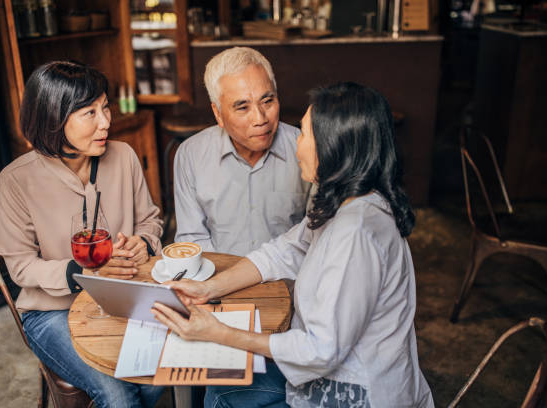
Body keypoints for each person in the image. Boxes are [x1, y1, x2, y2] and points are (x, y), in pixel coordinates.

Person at [152, 83, 434, 407]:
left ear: (333, 147)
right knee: (221, 390)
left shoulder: (356, 233)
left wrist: (219, 333)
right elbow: (285, 249)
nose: (296, 146)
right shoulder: (346, 201)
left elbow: (321, 351)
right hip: (325, 372)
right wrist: (209, 288)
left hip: (355, 393)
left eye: (302, 134)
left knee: (223, 391)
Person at [0, 61, 164, 408]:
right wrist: (82, 273)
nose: (106, 122)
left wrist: (143, 244)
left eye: (105, 107)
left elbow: (150, 220)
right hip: (52, 311)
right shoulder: (16, 180)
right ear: (54, 119)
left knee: (157, 377)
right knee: (118, 394)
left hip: (123, 298)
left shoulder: (124, 157)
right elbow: (21, 267)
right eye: (90, 112)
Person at [173, 46, 311, 256]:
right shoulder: (191, 155)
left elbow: (317, 238)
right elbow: (192, 239)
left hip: (289, 283)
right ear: (217, 114)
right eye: (242, 107)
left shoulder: (306, 150)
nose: (260, 119)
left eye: (267, 101)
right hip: (217, 281)